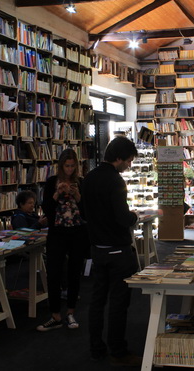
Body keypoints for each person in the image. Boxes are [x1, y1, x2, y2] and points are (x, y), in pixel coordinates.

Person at [81, 136, 141, 367]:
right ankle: (118, 350)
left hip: (97, 249)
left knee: (97, 301)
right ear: (118, 159)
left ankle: (96, 348)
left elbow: (85, 214)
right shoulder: (115, 181)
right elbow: (122, 217)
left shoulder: (89, 178)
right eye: (128, 161)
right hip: (118, 251)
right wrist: (134, 215)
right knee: (118, 302)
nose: (130, 165)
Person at [37, 148, 87, 331]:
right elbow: (47, 211)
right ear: (61, 166)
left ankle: (71, 313)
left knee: (74, 273)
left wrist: (78, 196)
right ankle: (55, 315)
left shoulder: (81, 182)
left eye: (73, 166)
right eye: (67, 166)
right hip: (57, 233)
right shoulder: (51, 182)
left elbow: (87, 212)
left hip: (77, 233)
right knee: (54, 273)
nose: (70, 170)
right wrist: (57, 194)